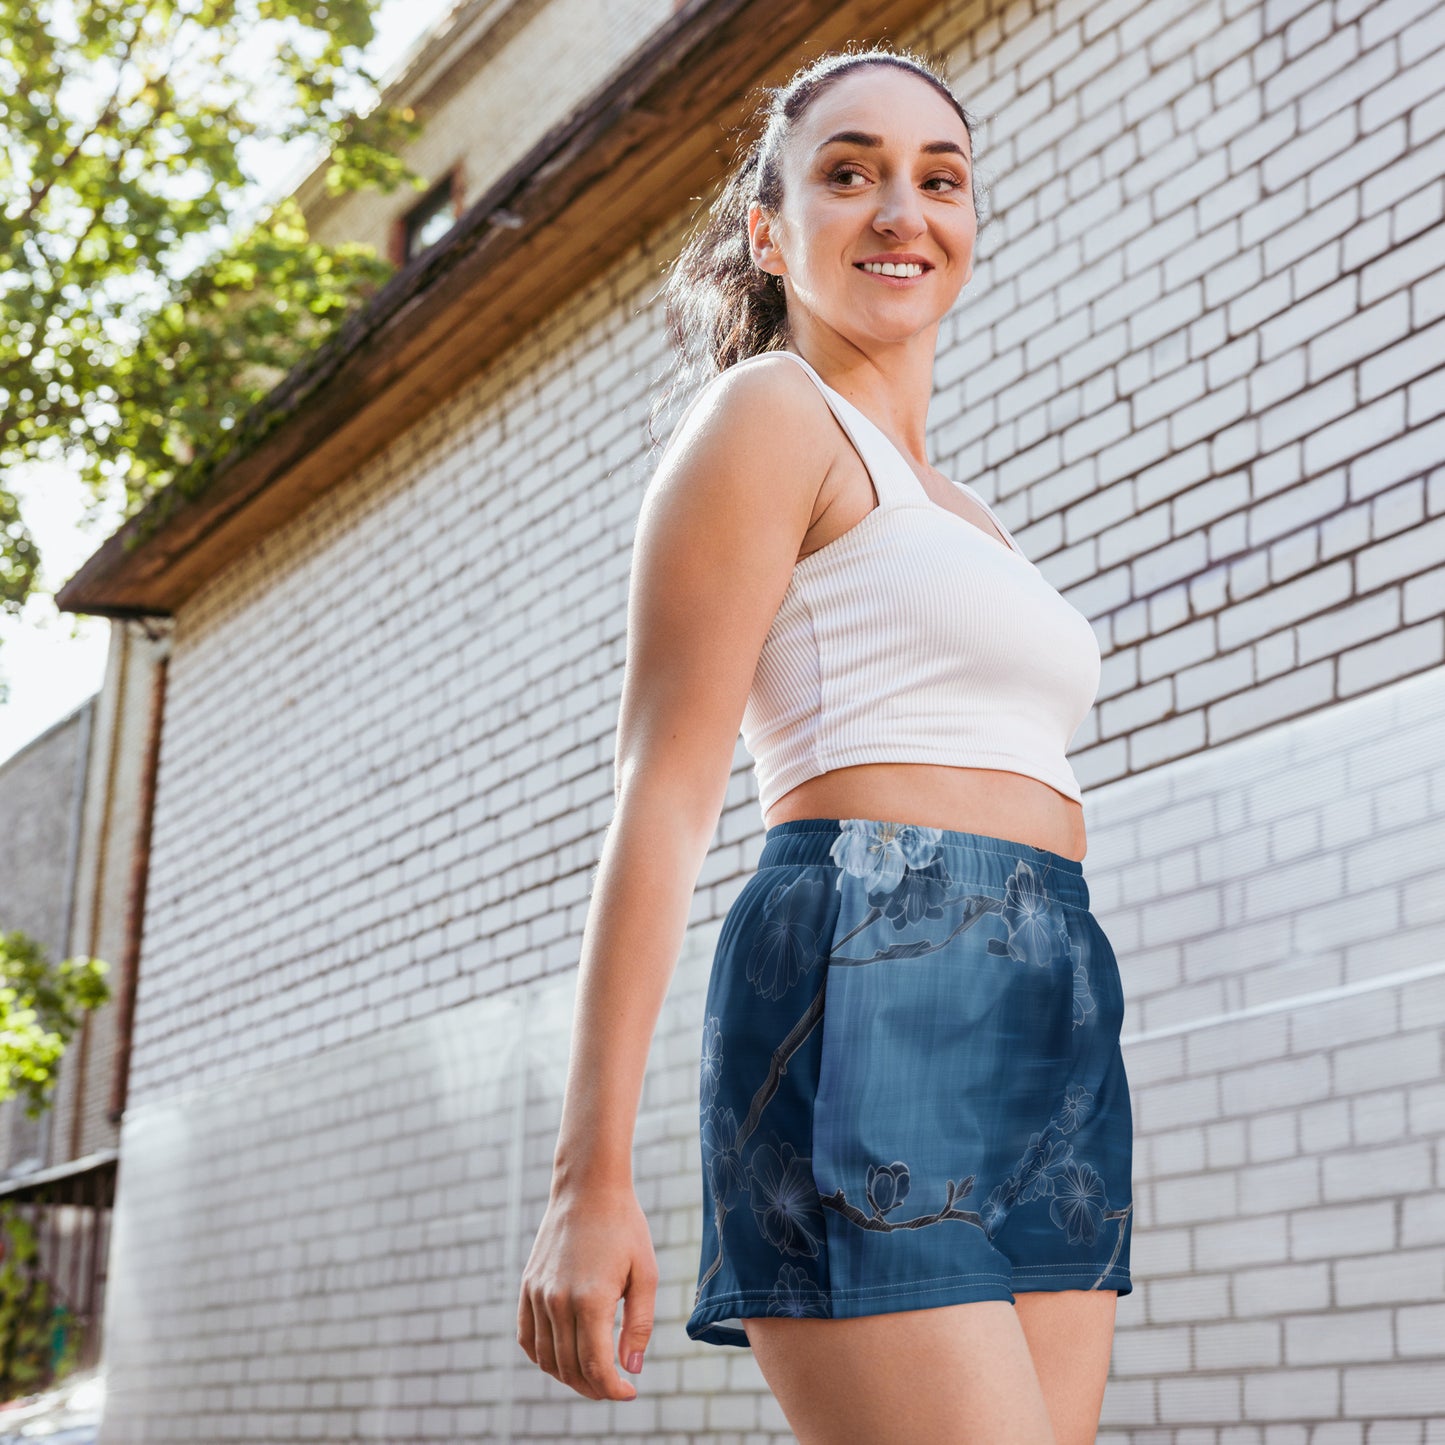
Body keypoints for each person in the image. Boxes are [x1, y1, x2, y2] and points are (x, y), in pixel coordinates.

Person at [517, 44, 1134, 1445]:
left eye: (939, 178)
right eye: (848, 173)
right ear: (767, 229)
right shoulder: (766, 417)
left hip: (1049, 997)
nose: (900, 210)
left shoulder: (968, 509)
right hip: (865, 964)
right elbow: (661, 794)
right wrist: (587, 1176)